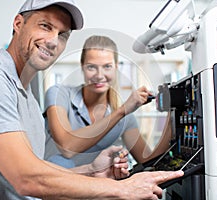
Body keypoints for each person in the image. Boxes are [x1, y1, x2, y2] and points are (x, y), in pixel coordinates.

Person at [0, 0, 183, 199]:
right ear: (18, 24)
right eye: (45, 26)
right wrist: (121, 189)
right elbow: (28, 178)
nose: (52, 41)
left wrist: (90, 171)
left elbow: (38, 167)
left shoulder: (27, 98)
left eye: (62, 35)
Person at [44, 35, 172, 168]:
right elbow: (67, 147)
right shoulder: (59, 94)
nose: (99, 75)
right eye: (91, 67)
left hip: (92, 188)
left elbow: (149, 162)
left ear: (116, 68)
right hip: (50, 186)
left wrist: (172, 118)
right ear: (82, 66)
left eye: (107, 67)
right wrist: (122, 111)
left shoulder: (125, 120)